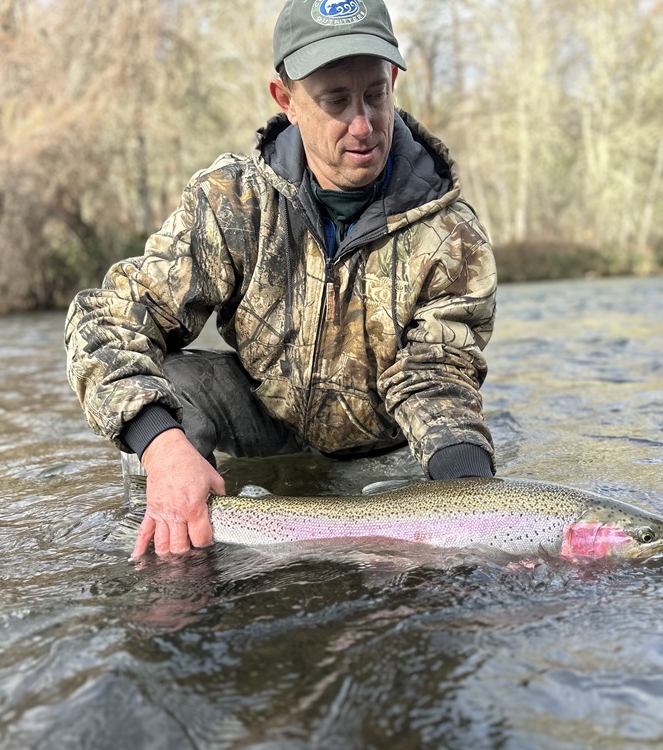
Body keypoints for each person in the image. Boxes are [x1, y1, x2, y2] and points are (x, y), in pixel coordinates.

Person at [64, 0, 497, 561]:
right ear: (286, 101)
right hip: (262, 419)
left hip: (383, 448)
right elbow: (103, 322)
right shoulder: (234, 204)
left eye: (375, 94)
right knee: (168, 381)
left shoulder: (451, 235)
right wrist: (160, 443)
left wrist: (474, 505)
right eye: (336, 101)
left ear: (393, 81)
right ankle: (174, 537)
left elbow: (438, 378)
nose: (362, 124)